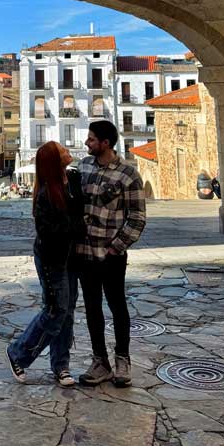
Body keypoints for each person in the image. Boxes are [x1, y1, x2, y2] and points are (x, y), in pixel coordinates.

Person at [6, 141, 83, 387]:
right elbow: (50, 232)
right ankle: (18, 352)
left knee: (67, 311)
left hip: (69, 256)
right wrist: (75, 226)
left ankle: (61, 366)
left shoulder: (69, 181)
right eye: (62, 151)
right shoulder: (44, 195)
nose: (67, 152)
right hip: (52, 259)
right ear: (54, 160)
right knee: (55, 310)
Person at [76, 121, 146, 389]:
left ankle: (122, 360)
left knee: (117, 306)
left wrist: (116, 247)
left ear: (105, 143)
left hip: (111, 254)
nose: (87, 143)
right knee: (93, 308)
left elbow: (137, 217)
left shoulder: (128, 175)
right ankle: (99, 361)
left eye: (92, 139)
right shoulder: (83, 168)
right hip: (85, 252)